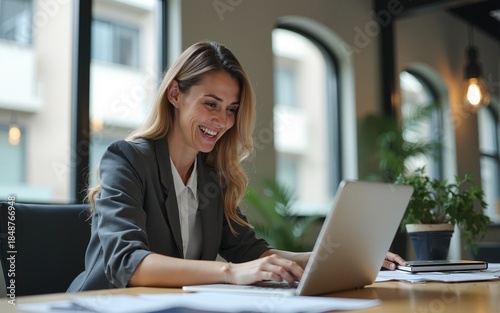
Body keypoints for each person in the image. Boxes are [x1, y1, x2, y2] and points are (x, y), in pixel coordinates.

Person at [68, 41, 406, 292]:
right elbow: (130, 265)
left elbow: (251, 251)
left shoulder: (212, 176)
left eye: (231, 109)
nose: (222, 120)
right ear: (175, 94)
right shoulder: (127, 159)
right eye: (210, 104)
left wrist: (342, 258)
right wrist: (230, 272)